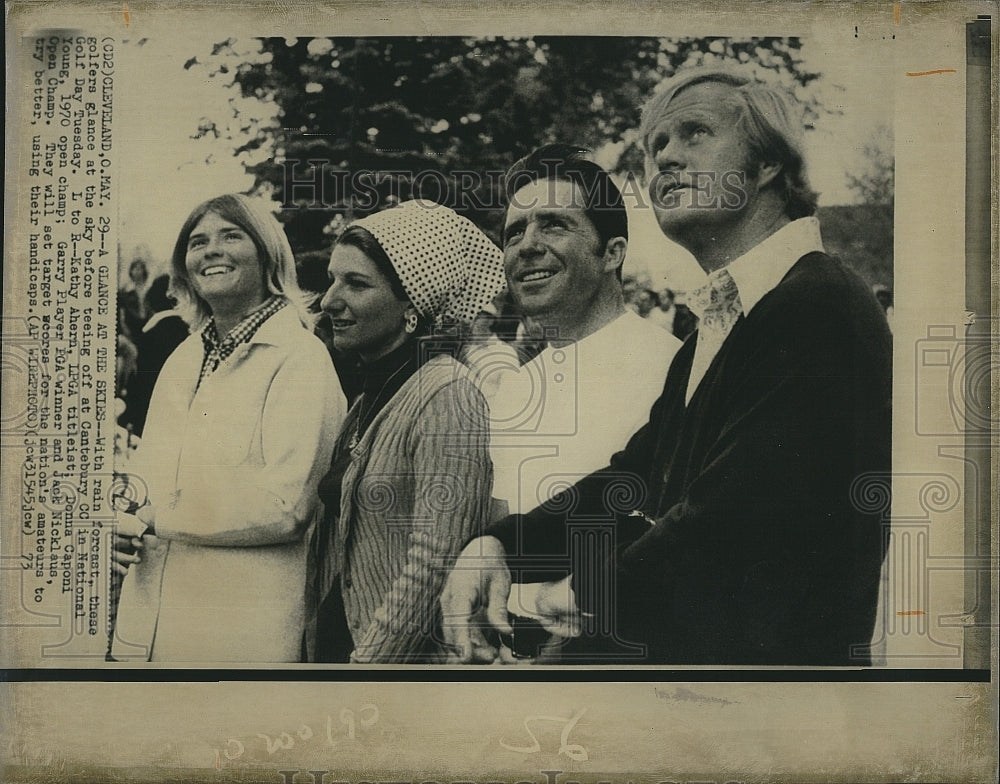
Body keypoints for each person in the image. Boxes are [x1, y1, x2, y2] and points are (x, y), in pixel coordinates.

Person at [441, 68, 892, 666]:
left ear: (767, 165)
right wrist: (499, 547)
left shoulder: (816, 305)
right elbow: (637, 479)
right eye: (656, 147)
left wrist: (561, 604)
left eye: (694, 134)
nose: (666, 159)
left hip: (772, 716)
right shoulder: (720, 324)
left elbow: (729, 526)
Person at [110, 194, 346, 662]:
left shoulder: (301, 358)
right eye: (198, 242)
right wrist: (122, 521)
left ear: (267, 254)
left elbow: (287, 507)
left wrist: (159, 518)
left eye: (231, 236)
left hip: (237, 633)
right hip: (149, 627)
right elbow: (147, 478)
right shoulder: (182, 356)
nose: (211, 250)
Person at [303, 200, 505, 664]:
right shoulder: (369, 400)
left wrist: (366, 670)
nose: (330, 299)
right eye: (333, 279)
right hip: (345, 650)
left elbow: (433, 564)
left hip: (395, 675)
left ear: (411, 305)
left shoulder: (448, 394)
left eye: (356, 283)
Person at [478, 145, 680, 524]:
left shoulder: (671, 371)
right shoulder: (516, 388)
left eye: (554, 224)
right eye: (515, 232)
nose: (527, 246)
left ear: (611, 254)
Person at [119, 274, 189, 437]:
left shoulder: (150, 335)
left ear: (151, 302)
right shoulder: (189, 331)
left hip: (152, 418)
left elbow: (140, 384)